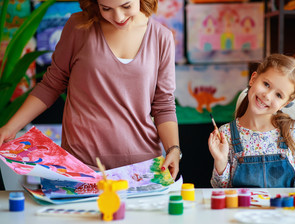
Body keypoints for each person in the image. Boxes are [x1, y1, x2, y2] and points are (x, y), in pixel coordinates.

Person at [0, 0, 181, 179]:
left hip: (142, 168)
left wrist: (173, 149)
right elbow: (51, 85)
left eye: (126, 6)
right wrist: (10, 128)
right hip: (80, 165)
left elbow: (164, 105)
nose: (118, 17)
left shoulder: (161, 37)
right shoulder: (79, 27)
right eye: (106, 8)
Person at [208, 54, 295, 188]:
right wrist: (220, 160)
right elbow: (220, 189)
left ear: (284, 104)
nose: (267, 95)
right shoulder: (226, 133)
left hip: (284, 208)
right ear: (253, 79)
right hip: (244, 208)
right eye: (266, 84)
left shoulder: (292, 131)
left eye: (278, 95)